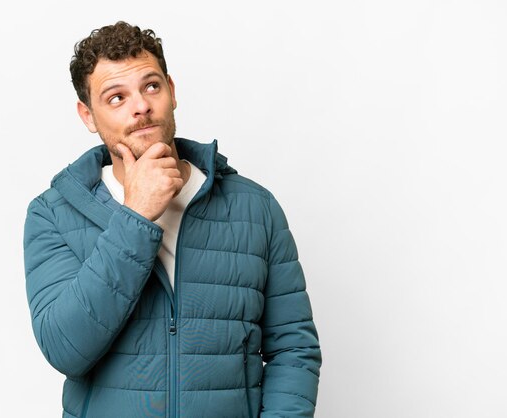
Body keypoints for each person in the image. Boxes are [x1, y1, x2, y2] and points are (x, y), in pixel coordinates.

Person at [23, 21, 321, 418]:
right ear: (88, 115)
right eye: (115, 97)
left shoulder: (255, 208)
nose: (141, 106)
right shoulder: (53, 213)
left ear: (172, 91)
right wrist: (136, 215)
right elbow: (65, 350)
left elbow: (293, 349)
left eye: (151, 86)